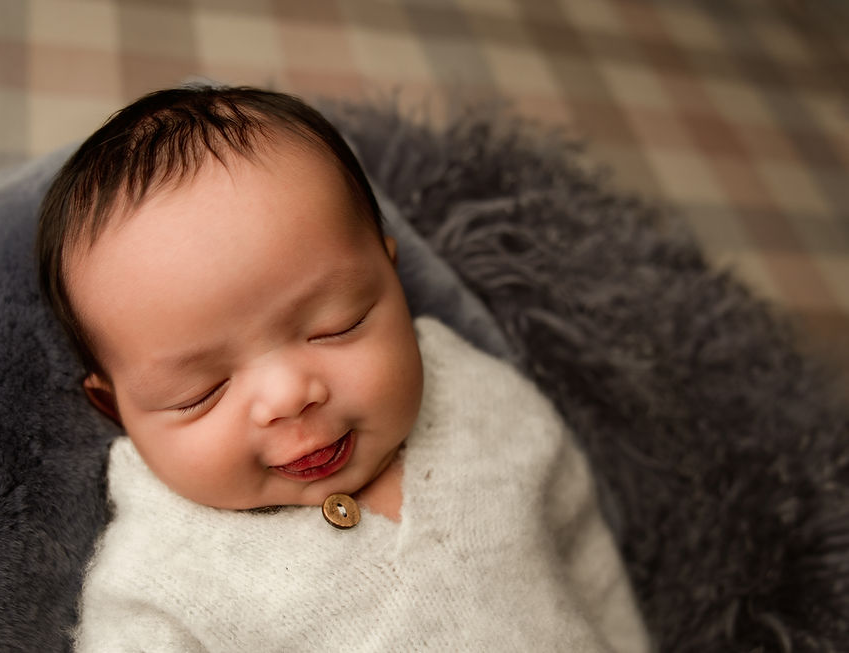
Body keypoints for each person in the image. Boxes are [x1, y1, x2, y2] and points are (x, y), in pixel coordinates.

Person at [37, 85, 650, 652]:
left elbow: (581, 550)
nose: (288, 396)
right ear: (116, 409)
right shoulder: (159, 583)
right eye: (202, 390)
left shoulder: (480, 399)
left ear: (393, 277)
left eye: (337, 325)